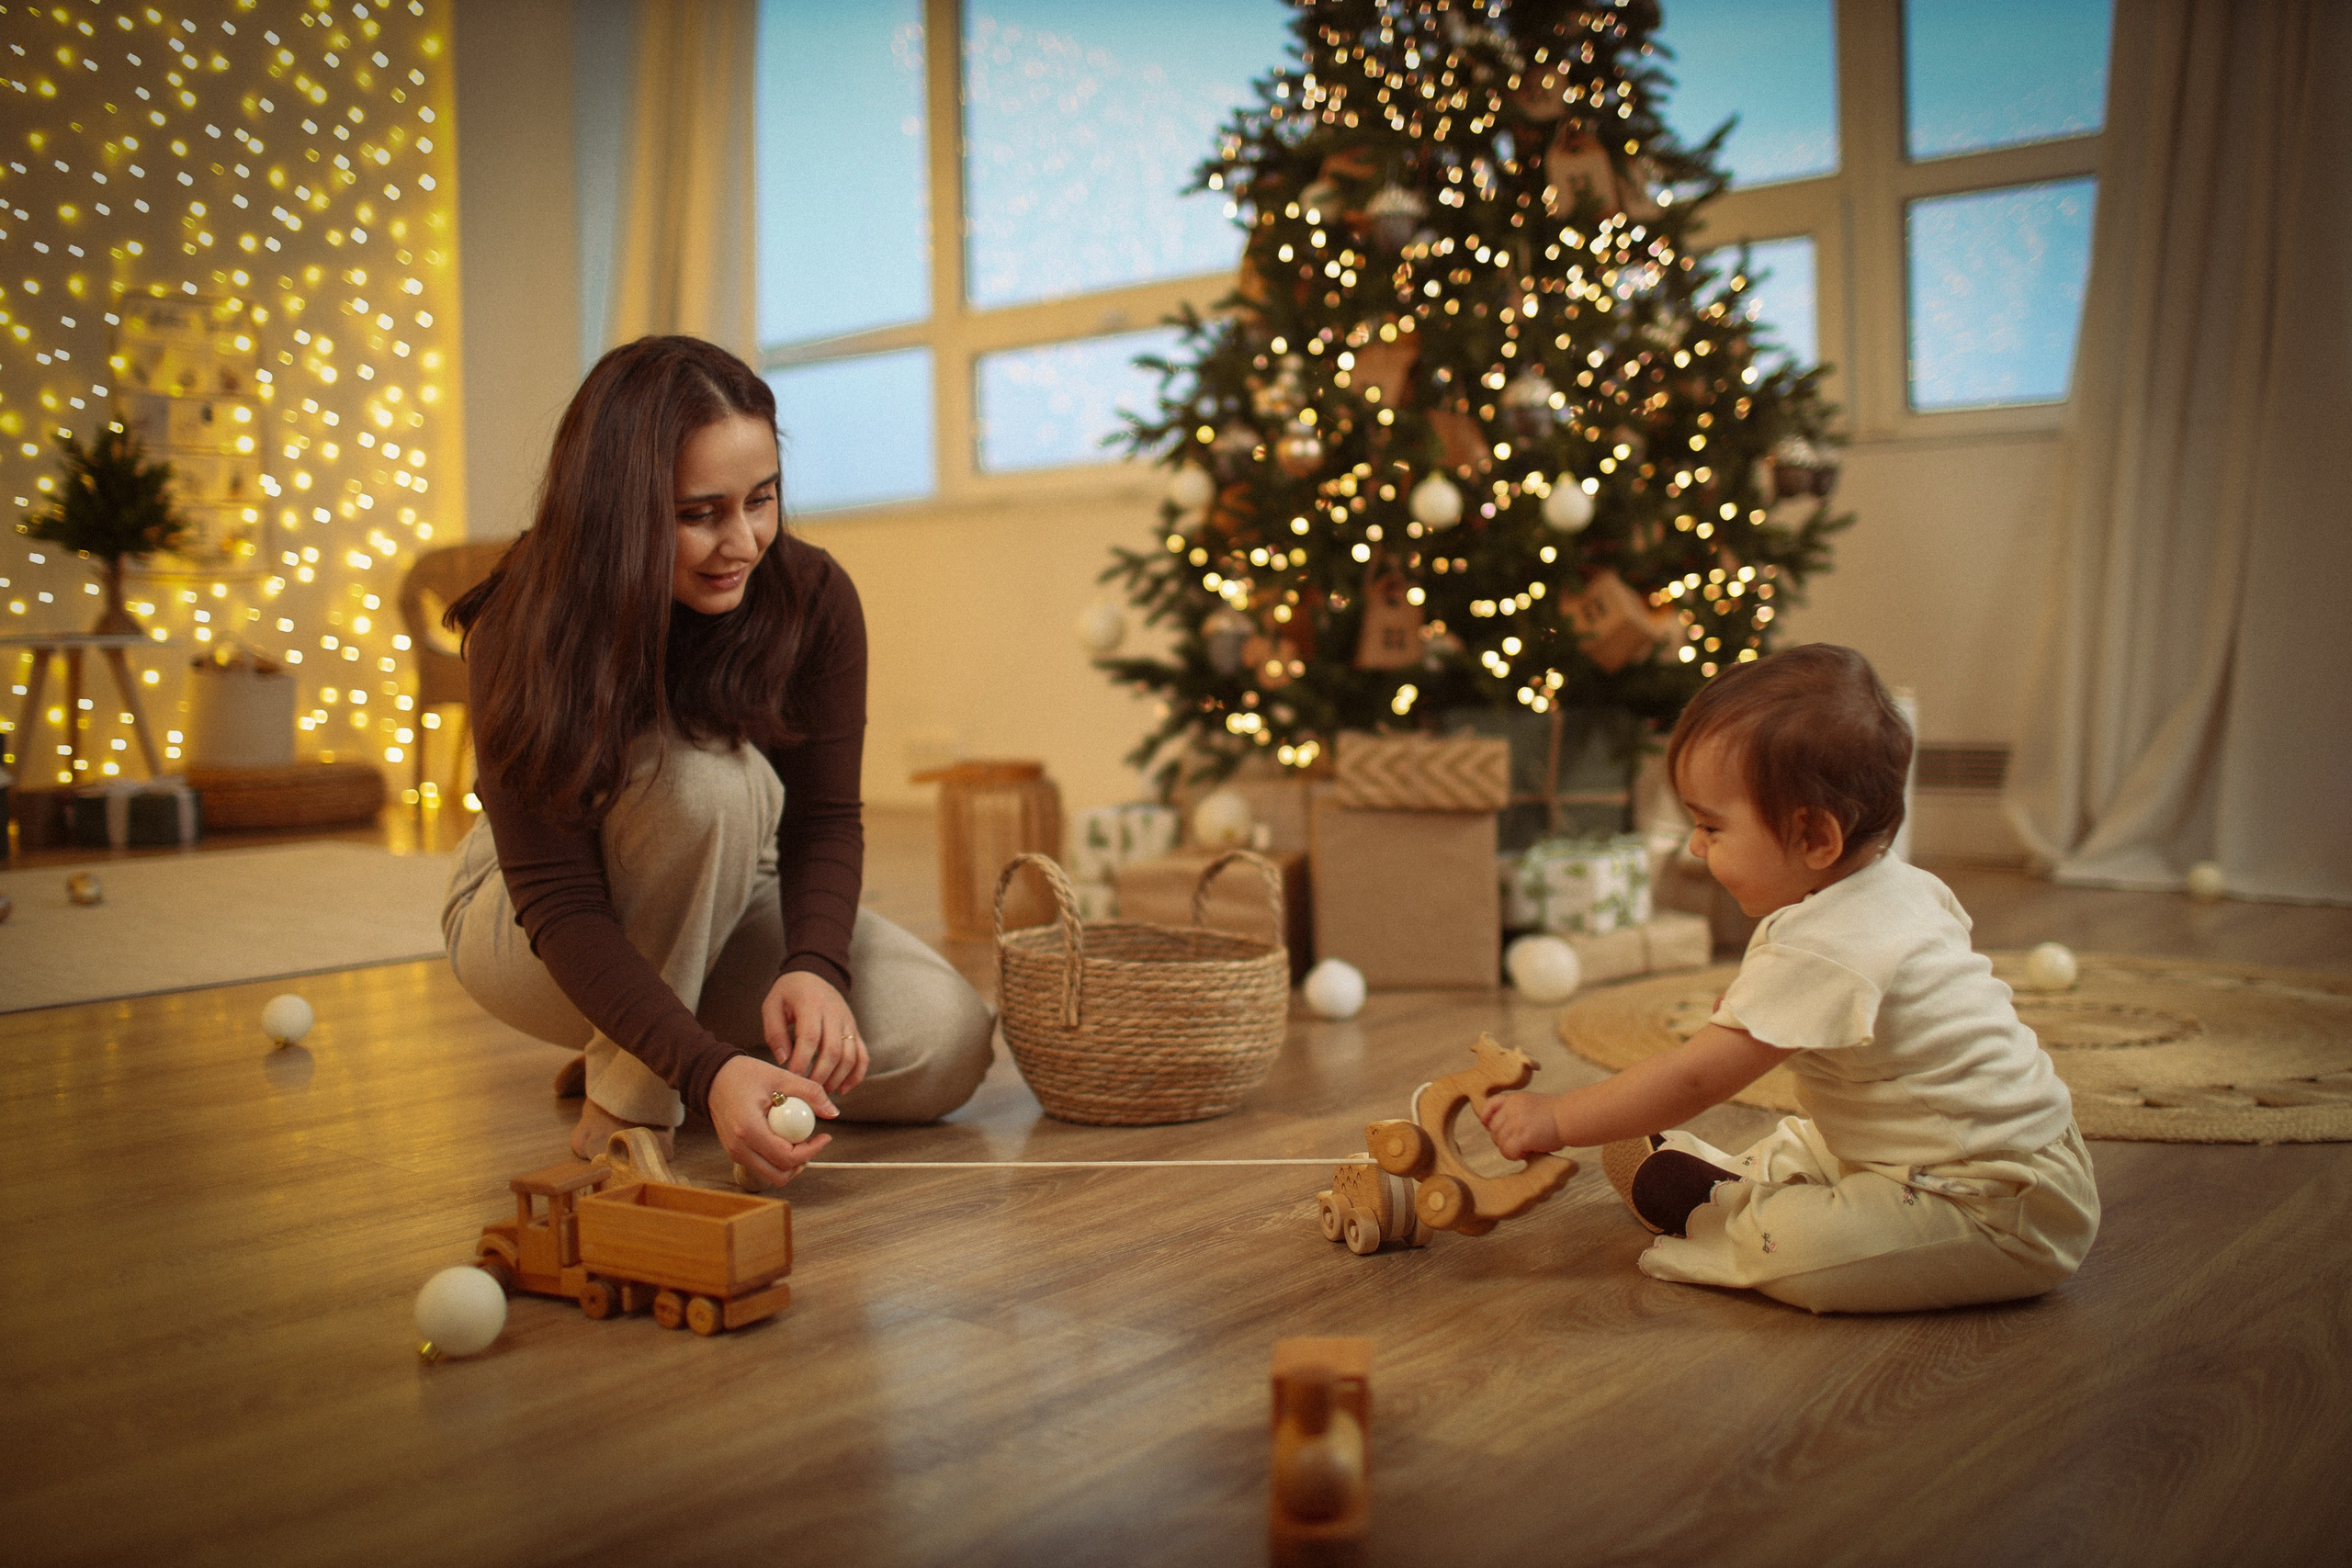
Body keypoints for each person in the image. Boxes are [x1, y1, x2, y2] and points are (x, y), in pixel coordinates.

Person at [440, 335, 995, 1187]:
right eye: (701, 513)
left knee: (945, 1041)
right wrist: (710, 1070)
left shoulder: (813, 599)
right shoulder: (526, 625)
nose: (744, 540)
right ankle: (634, 1091)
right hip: (530, 925)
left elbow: (822, 820)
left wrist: (814, 965)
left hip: (732, 889)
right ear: (618, 507)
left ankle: (654, 1045)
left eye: (761, 500)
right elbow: (558, 901)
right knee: (710, 784)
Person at [1480, 644, 2098, 1314]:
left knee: (1799, 1246)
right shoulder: (1904, 886)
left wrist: (1558, 1117)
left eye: (1712, 825)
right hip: (1977, 1156)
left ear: (1814, 839)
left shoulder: (1825, 944)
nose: (1696, 845)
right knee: (1811, 1140)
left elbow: (1695, 1077)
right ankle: (1764, 1178)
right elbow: (1881, 1007)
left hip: (1993, 1208)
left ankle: (1719, 1209)